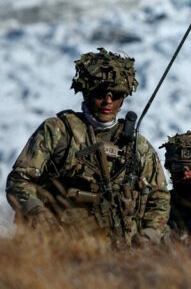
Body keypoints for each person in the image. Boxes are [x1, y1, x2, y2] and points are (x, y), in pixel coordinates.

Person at [5, 48, 169, 244]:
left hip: (119, 252)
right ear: (86, 92)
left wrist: (148, 235)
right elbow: (19, 180)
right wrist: (38, 213)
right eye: (100, 93)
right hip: (55, 245)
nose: (108, 101)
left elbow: (159, 198)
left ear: (123, 97)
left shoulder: (137, 146)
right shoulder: (59, 131)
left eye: (115, 94)